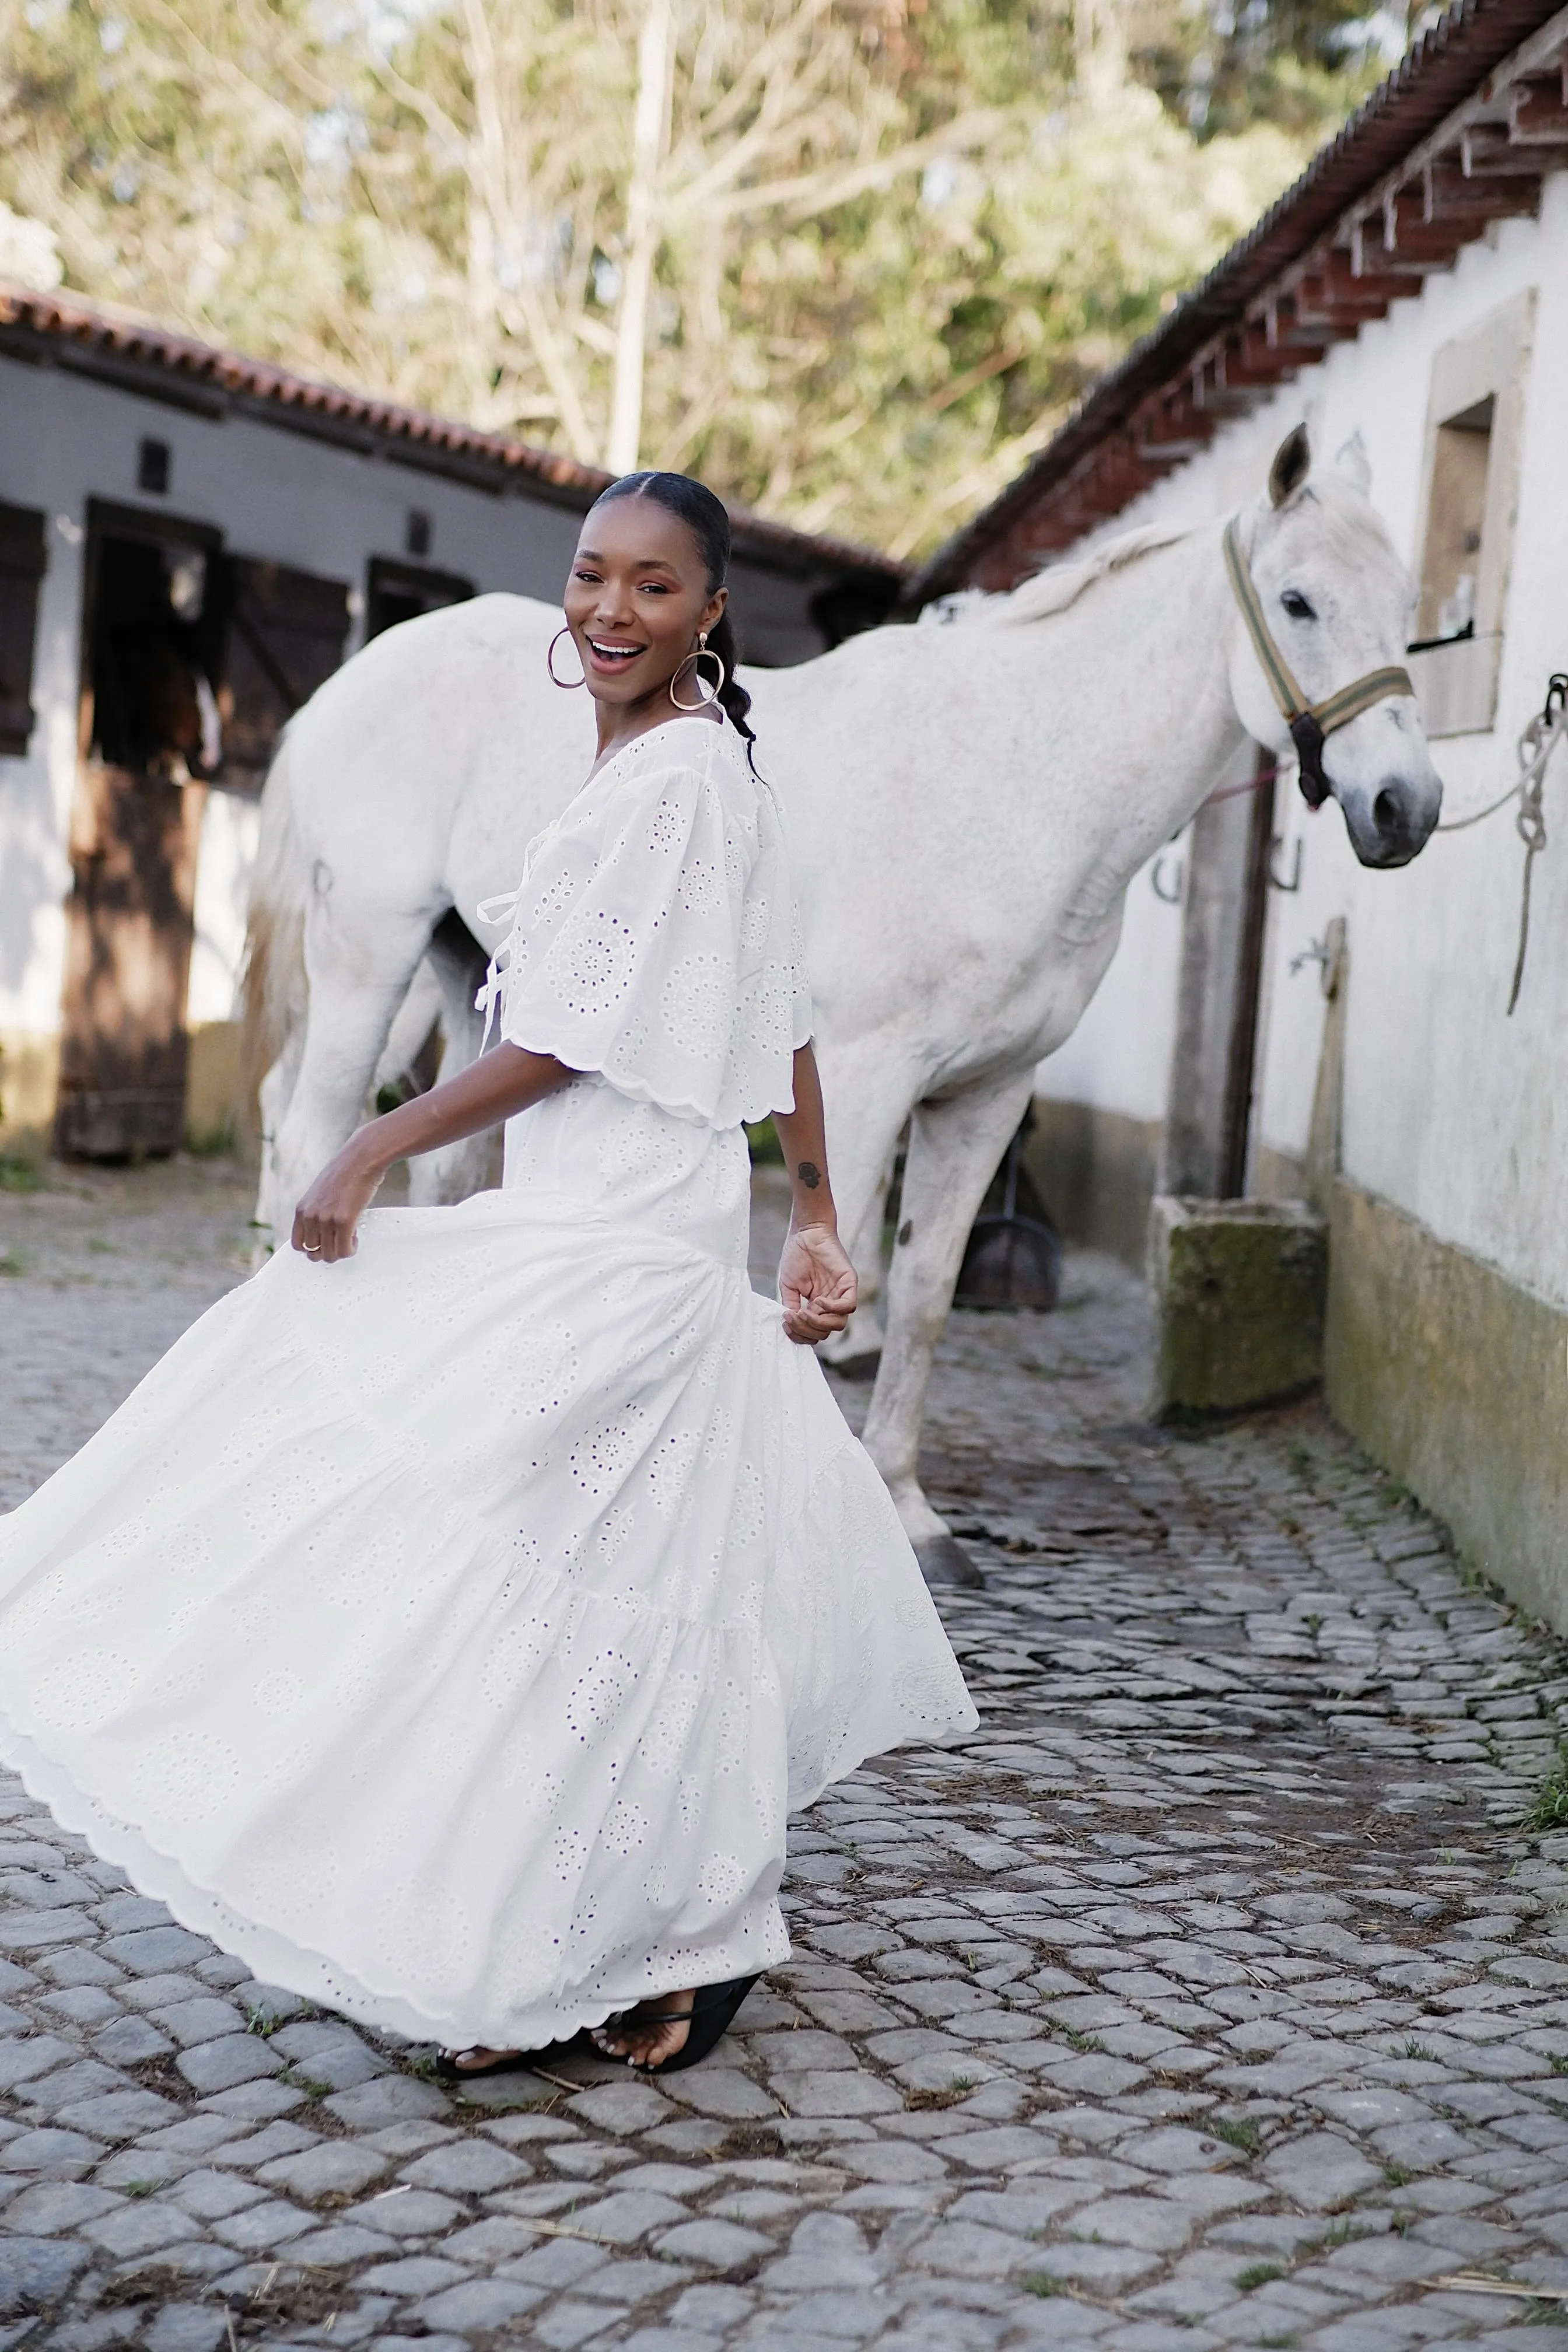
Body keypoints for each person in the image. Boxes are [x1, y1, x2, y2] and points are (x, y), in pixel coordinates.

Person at [0, 471, 977, 2077]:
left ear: (711, 615)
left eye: (655, 588)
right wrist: (807, 1213)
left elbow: (569, 1040)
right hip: (619, 1224)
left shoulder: (681, 783)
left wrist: (372, 1147)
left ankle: (629, 1938)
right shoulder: (677, 770)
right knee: (593, 1594)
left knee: (545, 1568)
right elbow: (780, 1003)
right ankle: (628, 1932)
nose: (610, 610)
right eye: (592, 576)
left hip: (613, 1244)